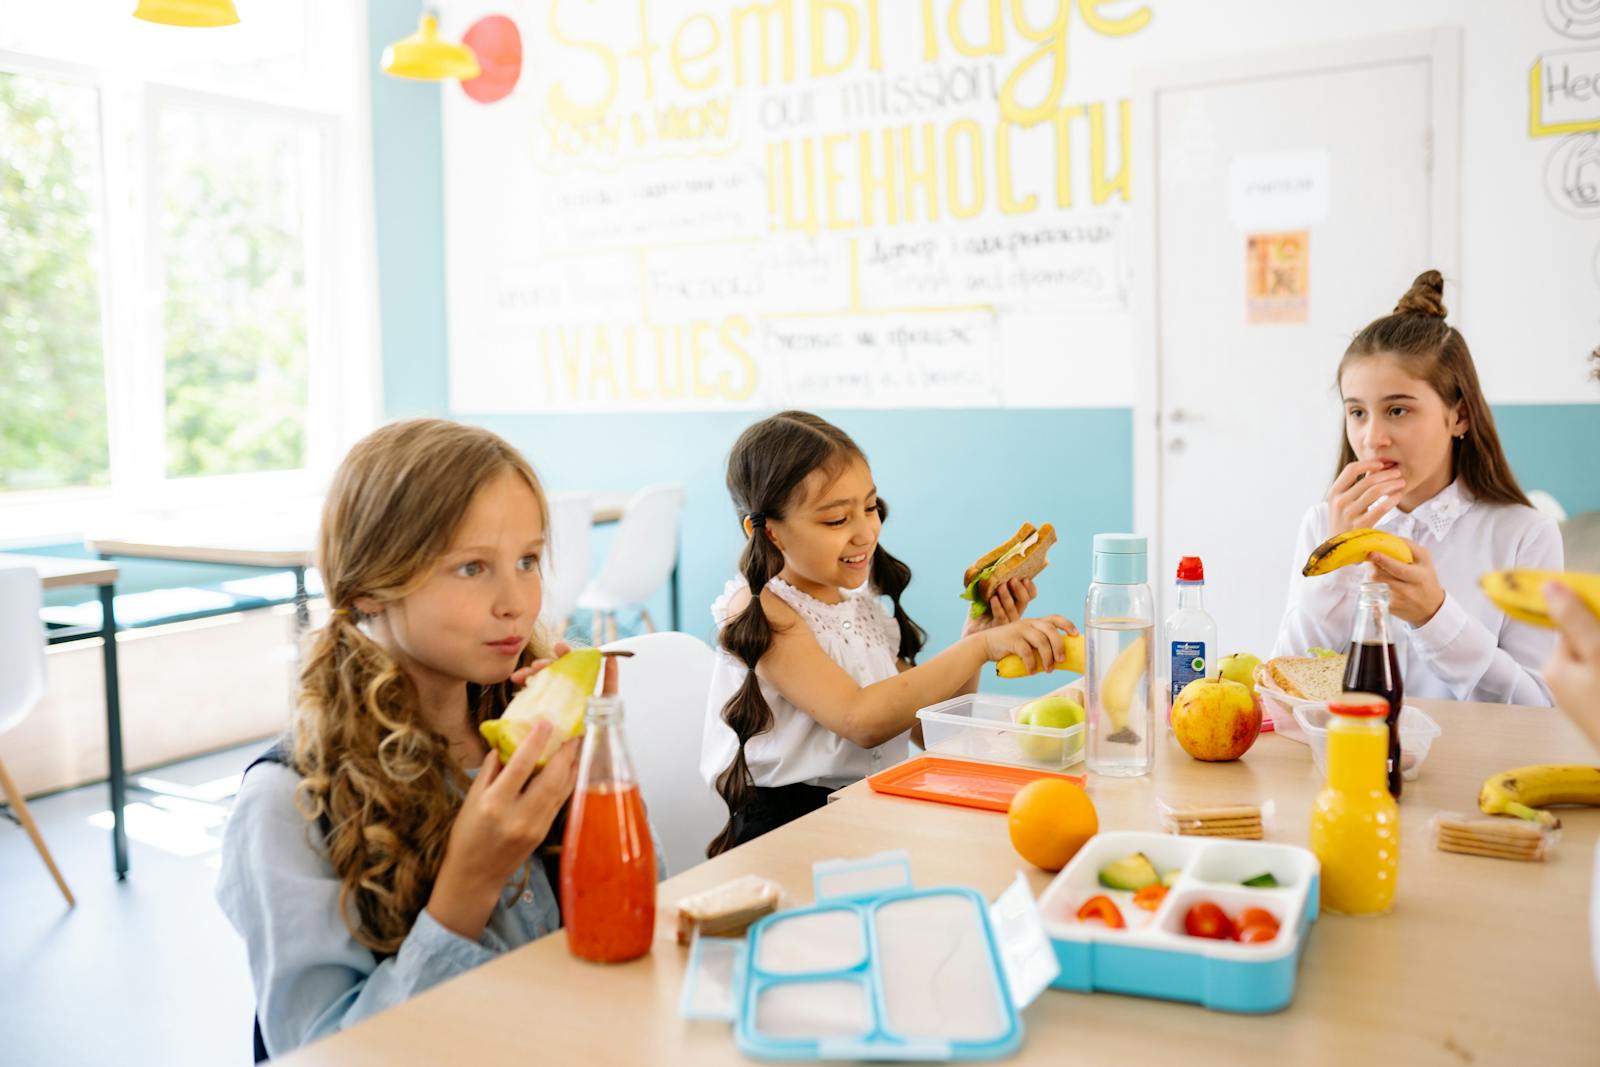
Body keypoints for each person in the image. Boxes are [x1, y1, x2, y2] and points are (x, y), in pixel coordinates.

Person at [217, 418, 616, 1058]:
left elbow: (620, 926)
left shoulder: (519, 726)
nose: (516, 601)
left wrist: (600, 769)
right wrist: (467, 887)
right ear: (370, 586)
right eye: (471, 568)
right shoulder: (286, 804)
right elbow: (322, 1051)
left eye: (528, 560)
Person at [700, 411, 1074, 854]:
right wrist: (980, 648)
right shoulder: (761, 609)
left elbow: (927, 730)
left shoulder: (862, 609)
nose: (866, 532)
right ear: (770, 532)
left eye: (871, 507)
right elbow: (862, 720)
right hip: (788, 833)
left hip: (864, 811)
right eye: (837, 520)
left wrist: (978, 631)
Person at [1274, 271, 1561, 705]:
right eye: (1357, 412)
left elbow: (1539, 708)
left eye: (1398, 410)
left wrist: (1435, 616)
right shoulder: (1322, 524)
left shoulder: (1525, 536)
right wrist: (1335, 574)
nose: (1372, 438)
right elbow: (1283, 690)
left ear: (1458, 417)